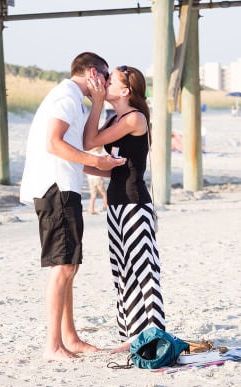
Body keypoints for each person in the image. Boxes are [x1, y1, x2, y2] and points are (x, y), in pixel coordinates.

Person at [17, 52, 126, 360]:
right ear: (93, 72)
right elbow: (54, 144)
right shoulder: (65, 97)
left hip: (64, 187)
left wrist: (105, 168)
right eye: (105, 77)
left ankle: (70, 337)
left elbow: (78, 149)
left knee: (69, 265)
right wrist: (96, 161)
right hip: (55, 189)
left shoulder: (75, 99)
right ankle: (53, 345)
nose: (106, 84)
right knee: (62, 266)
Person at [78, 65, 163, 350]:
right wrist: (90, 168)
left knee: (143, 270)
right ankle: (130, 337)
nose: (104, 83)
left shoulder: (134, 118)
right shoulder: (116, 117)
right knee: (122, 271)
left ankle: (151, 336)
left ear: (125, 91)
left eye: (110, 81)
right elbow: (108, 161)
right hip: (116, 204)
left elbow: (90, 142)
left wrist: (97, 101)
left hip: (135, 205)